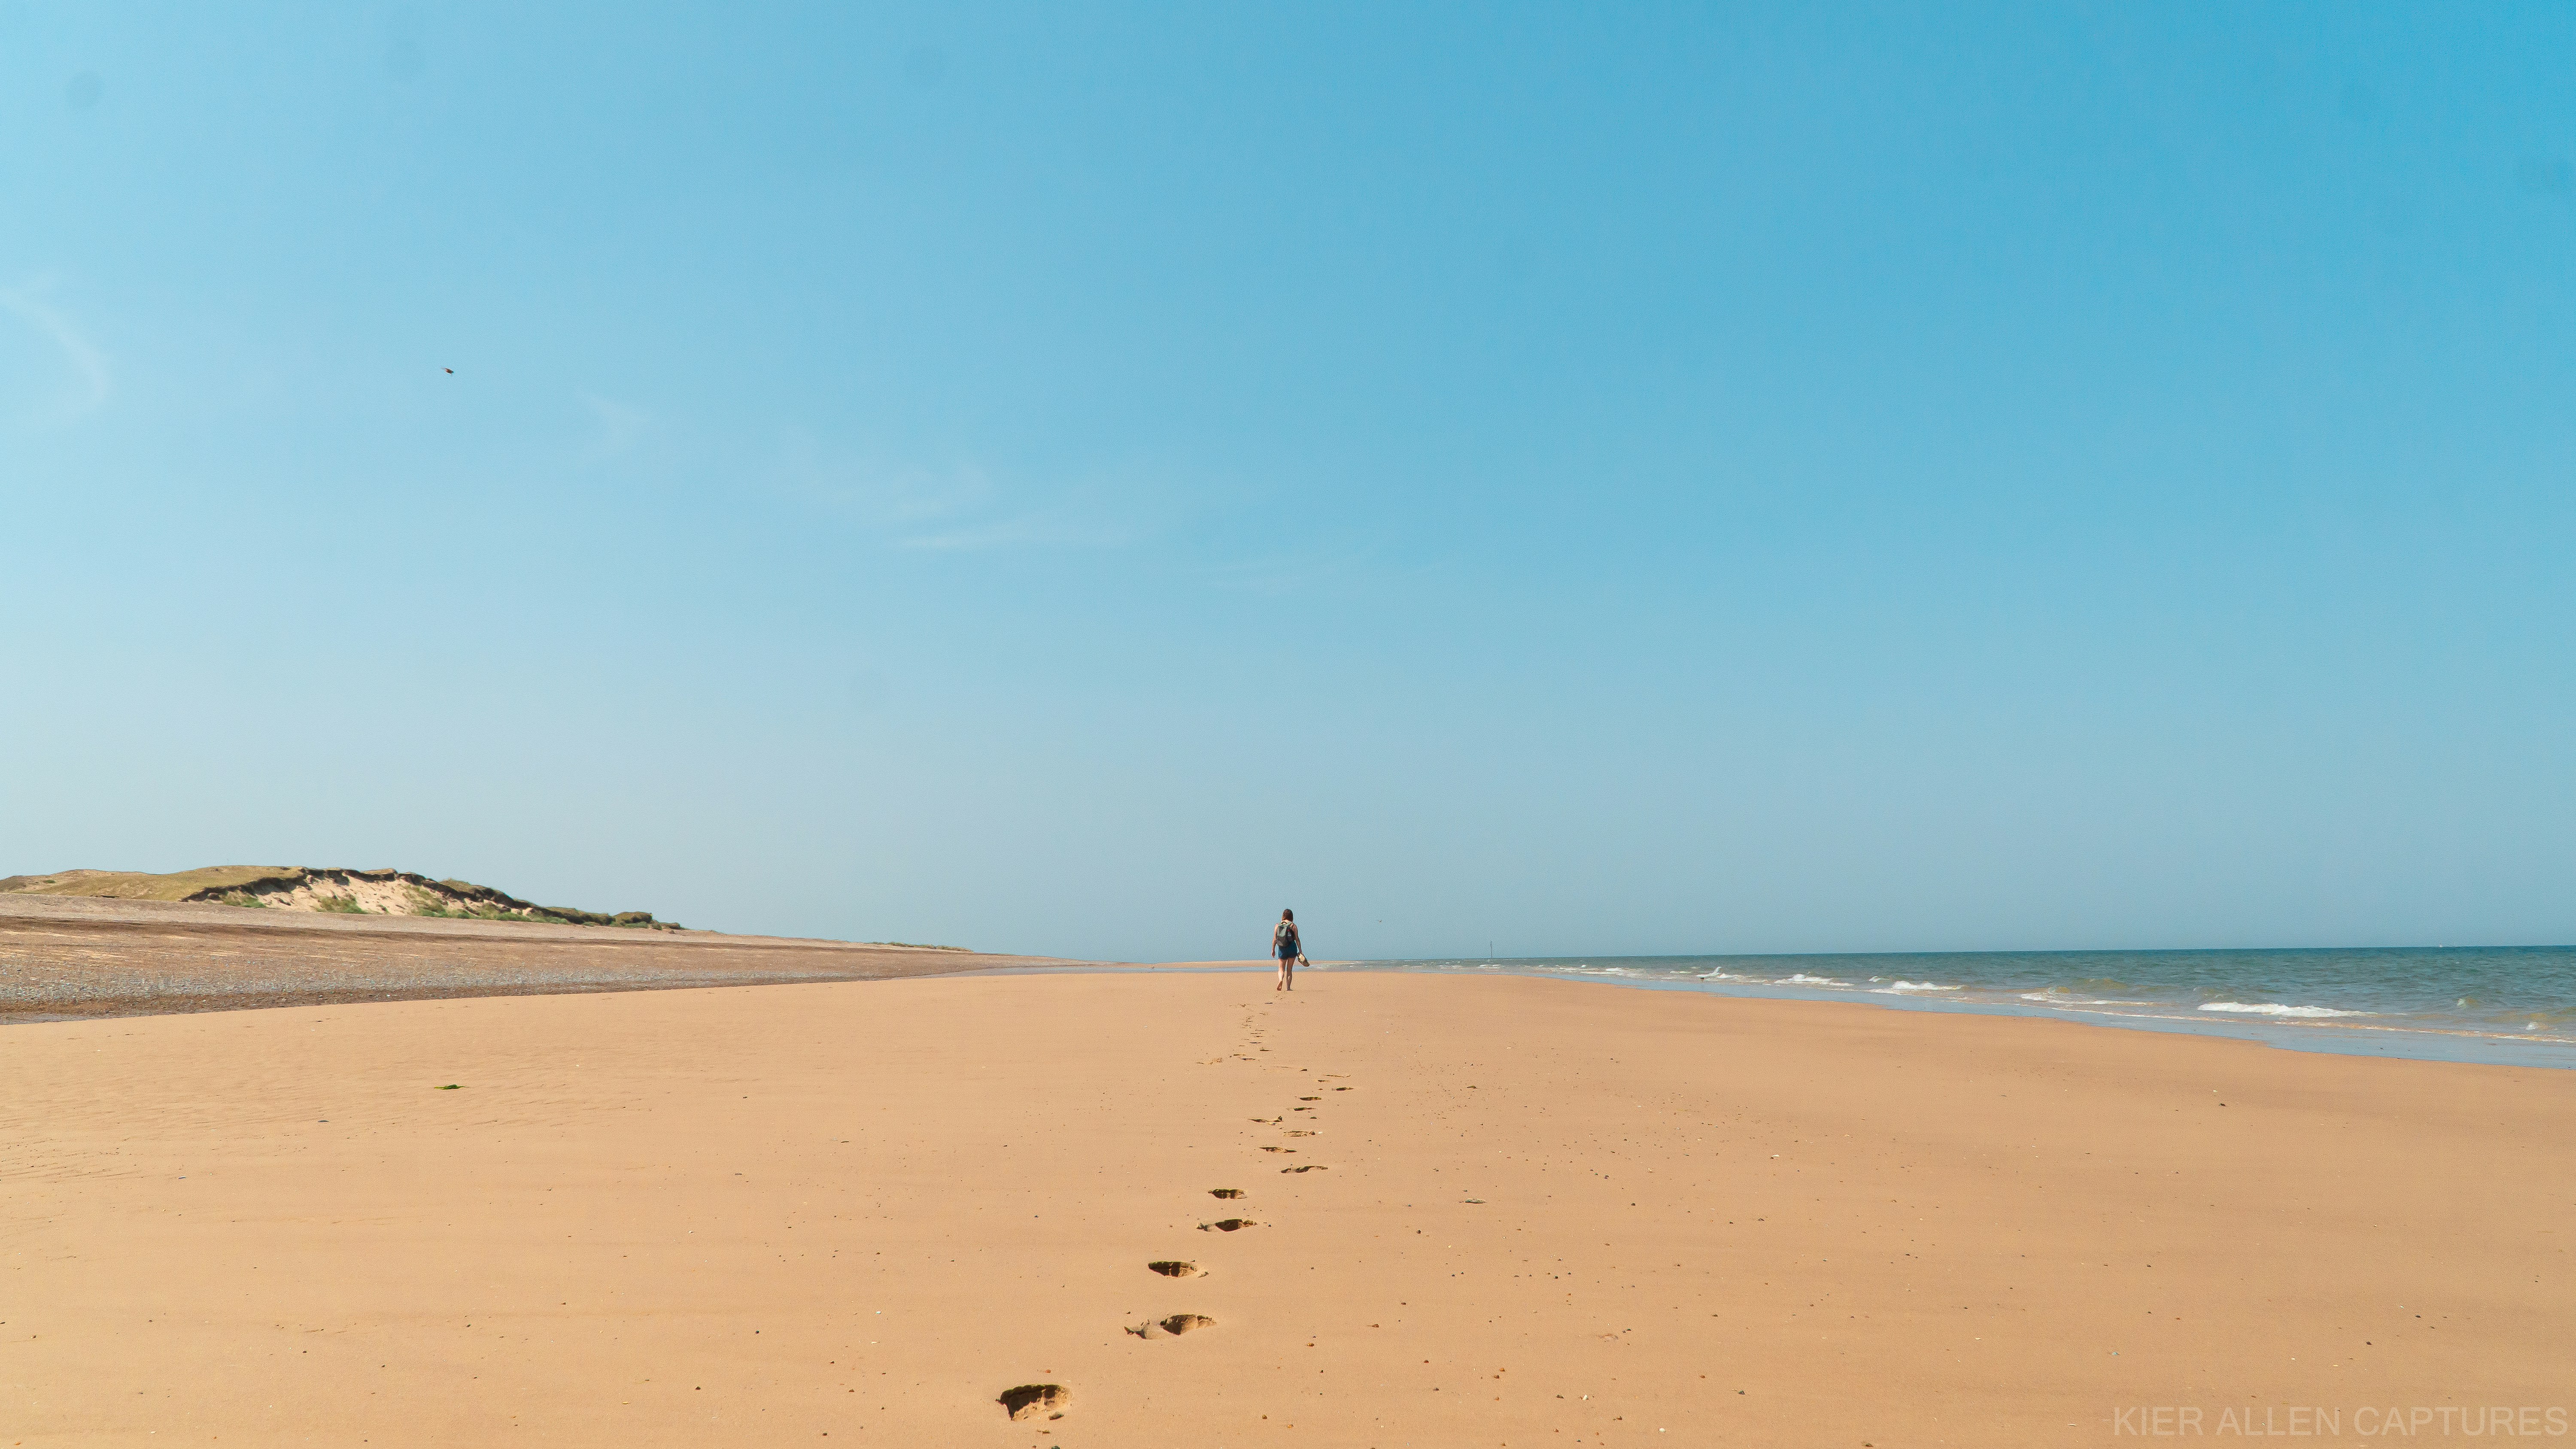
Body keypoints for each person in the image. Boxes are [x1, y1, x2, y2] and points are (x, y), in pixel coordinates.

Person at [1272, 909, 1304, 991]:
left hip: (1282, 949)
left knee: (1281, 969)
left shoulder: (1278, 926)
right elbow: (1297, 939)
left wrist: (1273, 950)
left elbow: (1275, 940)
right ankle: (1288, 988)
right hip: (1292, 949)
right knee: (1289, 970)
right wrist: (1300, 951)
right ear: (1292, 916)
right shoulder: (1293, 926)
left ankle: (1280, 980)